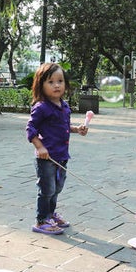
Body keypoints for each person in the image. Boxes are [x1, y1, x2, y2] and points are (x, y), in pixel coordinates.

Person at [26, 62, 89, 234]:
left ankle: (50, 213)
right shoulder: (41, 107)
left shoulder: (65, 105)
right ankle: (41, 221)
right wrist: (40, 147)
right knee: (47, 189)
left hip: (61, 155)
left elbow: (65, 126)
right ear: (41, 85)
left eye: (60, 81)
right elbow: (30, 130)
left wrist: (77, 129)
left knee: (57, 187)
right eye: (51, 82)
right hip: (46, 158)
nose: (56, 85)